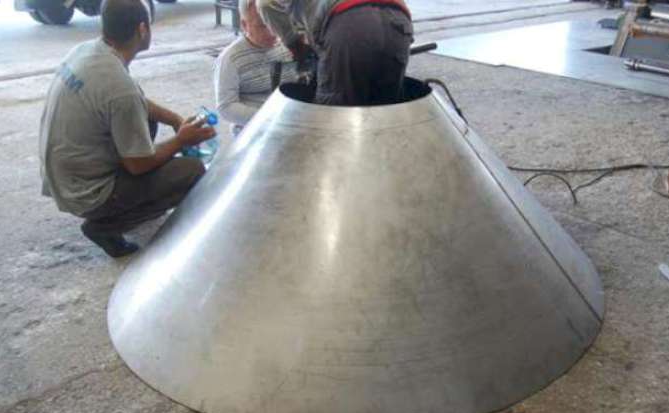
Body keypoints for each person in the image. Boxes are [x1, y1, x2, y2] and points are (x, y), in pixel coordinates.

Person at [39, 0, 215, 258]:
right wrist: (181, 140)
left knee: (146, 120)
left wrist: (175, 120)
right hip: (86, 192)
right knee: (191, 171)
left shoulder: (87, 51)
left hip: (63, 176)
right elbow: (138, 165)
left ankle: (125, 200)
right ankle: (106, 226)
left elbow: (133, 103)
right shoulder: (119, 88)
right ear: (142, 29)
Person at [258, 0, 413, 106]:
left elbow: (266, 3)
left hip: (351, 20)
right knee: (386, 109)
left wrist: (295, 45)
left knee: (333, 115)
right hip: (399, 20)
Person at [215, 0, 299, 135]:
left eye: (273, 22)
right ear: (244, 25)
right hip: (253, 131)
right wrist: (270, 117)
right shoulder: (231, 59)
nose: (271, 32)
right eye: (262, 26)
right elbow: (226, 108)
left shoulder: (288, 46)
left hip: (290, 123)